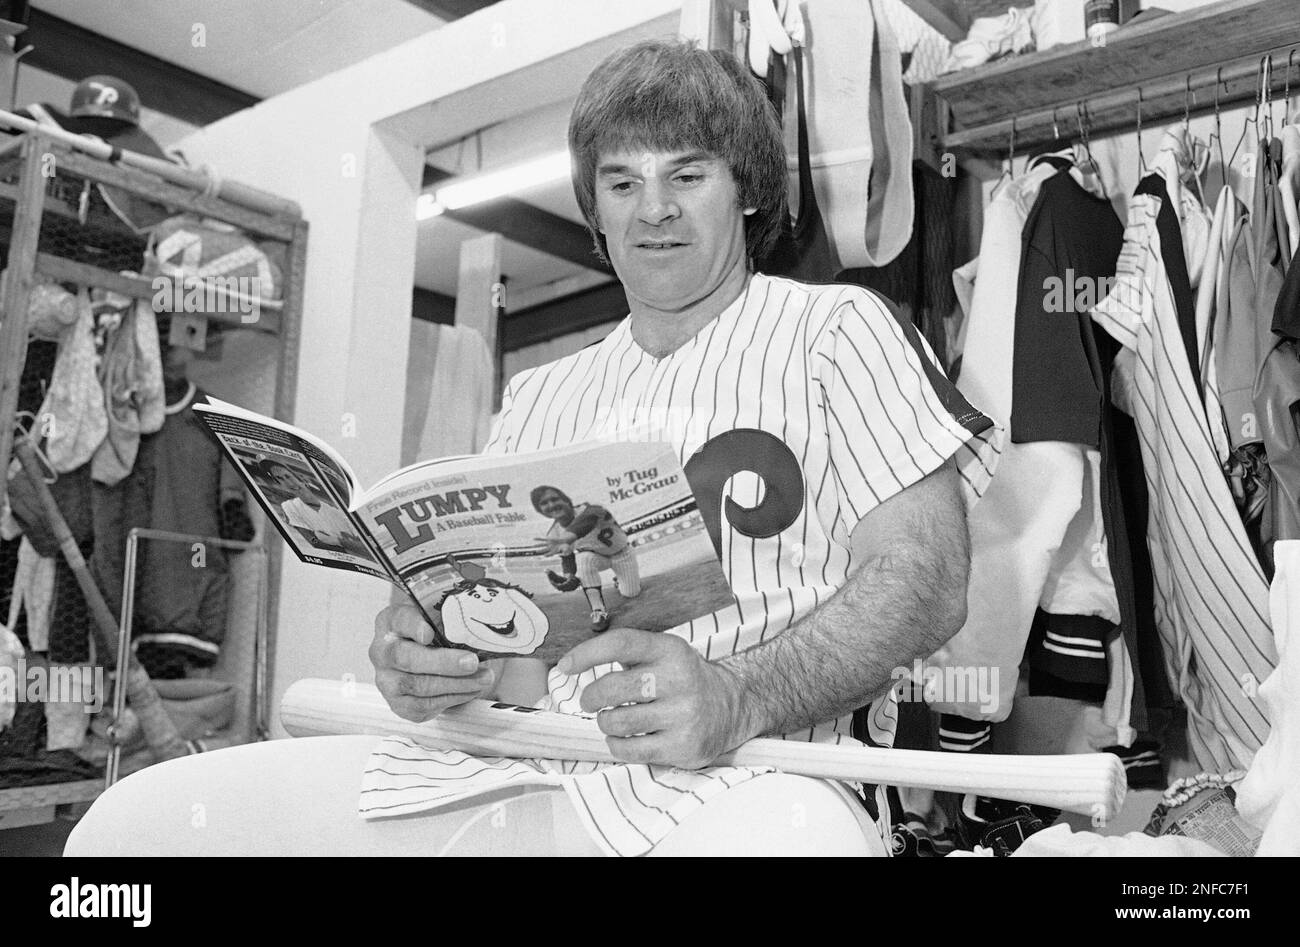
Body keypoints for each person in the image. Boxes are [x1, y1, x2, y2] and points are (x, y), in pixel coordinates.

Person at [66, 39, 996, 857]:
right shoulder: (542, 394)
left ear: (748, 188)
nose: (653, 210)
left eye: (688, 174)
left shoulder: (837, 329)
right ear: (594, 208)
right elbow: (492, 628)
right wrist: (420, 660)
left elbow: (925, 578)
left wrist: (741, 693)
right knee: (129, 825)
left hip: (742, 780)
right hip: (493, 766)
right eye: (623, 183)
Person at [532, 484, 641, 633]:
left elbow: (587, 521)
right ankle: (598, 611)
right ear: (540, 511)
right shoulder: (554, 533)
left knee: (631, 593)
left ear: (566, 500)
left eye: (555, 499)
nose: (551, 505)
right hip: (597, 557)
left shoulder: (591, 509)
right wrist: (568, 578)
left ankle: (619, 581)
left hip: (622, 553)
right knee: (583, 558)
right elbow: (568, 558)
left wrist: (567, 537)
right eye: (544, 503)